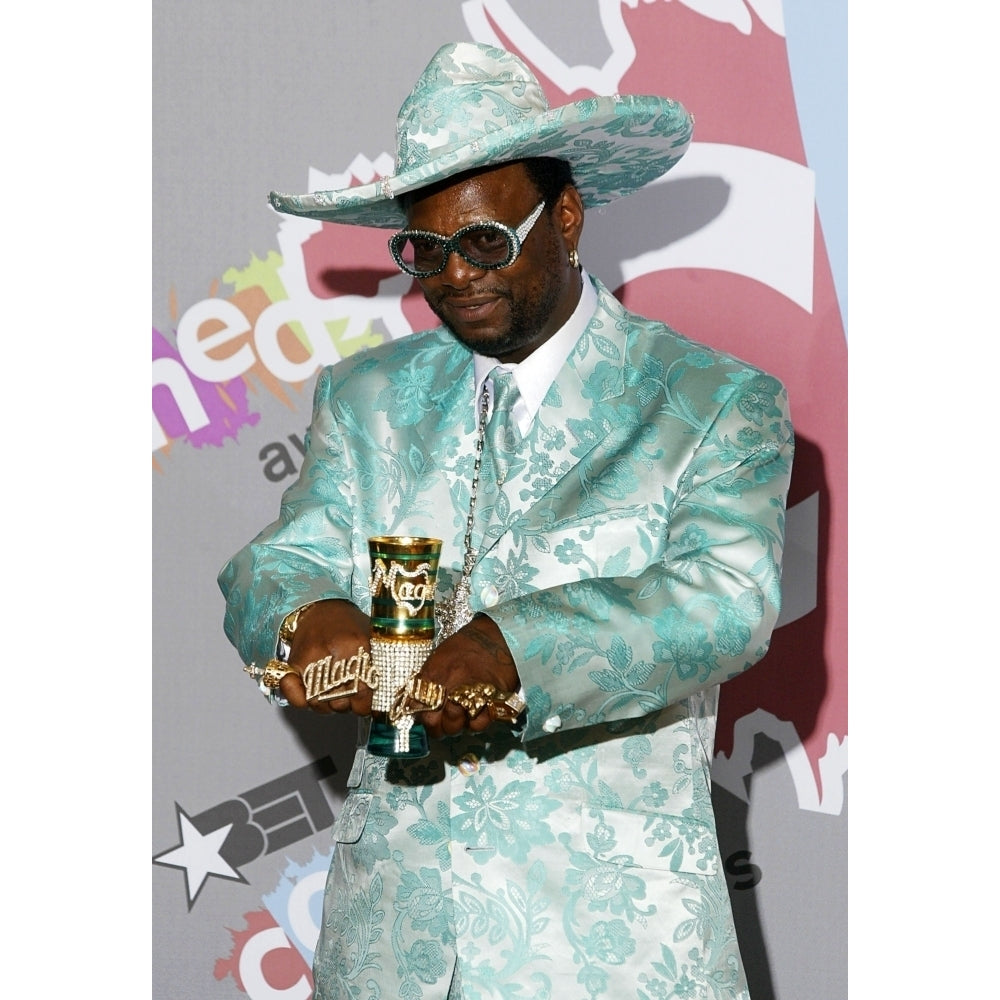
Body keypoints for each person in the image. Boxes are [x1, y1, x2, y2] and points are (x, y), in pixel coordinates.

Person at [218, 41, 793, 1000]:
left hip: (613, 945)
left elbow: (724, 602)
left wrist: (514, 647)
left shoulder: (709, 400)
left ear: (564, 217)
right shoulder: (367, 399)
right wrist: (304, 616)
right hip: (394, 946)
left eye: (485, 241)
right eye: (424, 251)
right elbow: (276, 564)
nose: (453, 276)